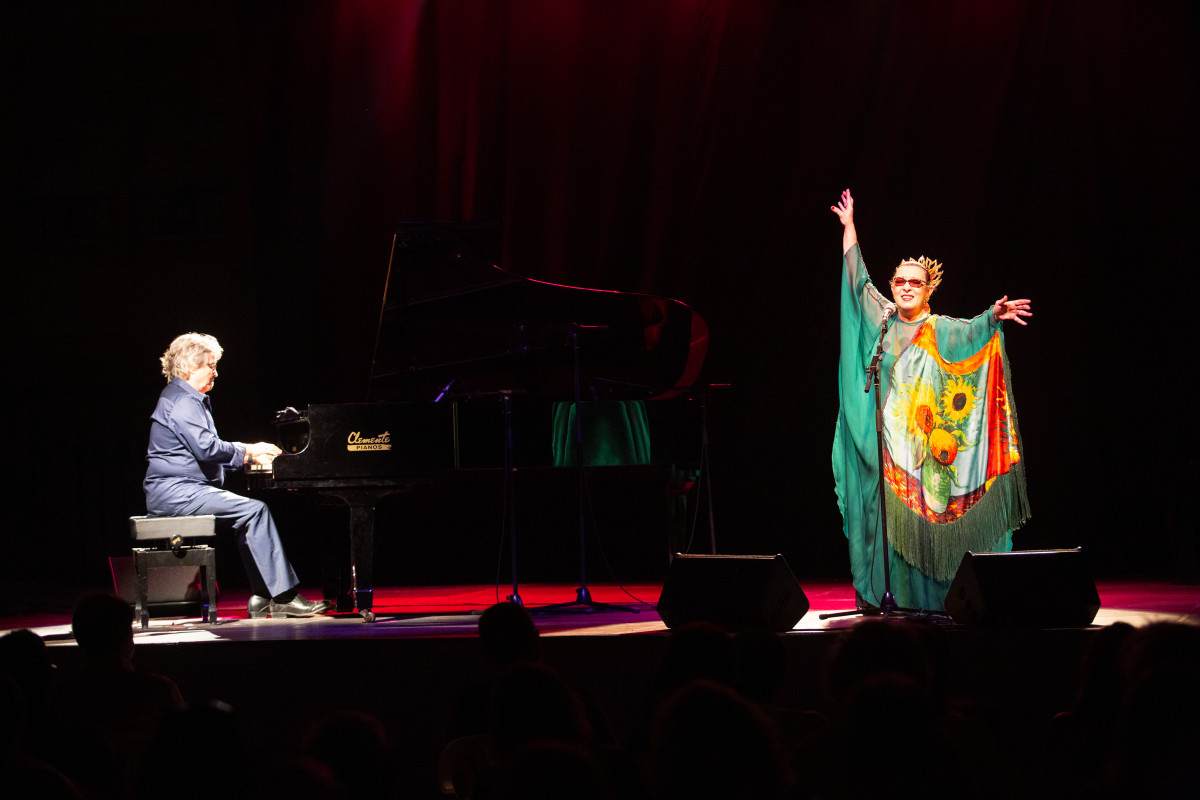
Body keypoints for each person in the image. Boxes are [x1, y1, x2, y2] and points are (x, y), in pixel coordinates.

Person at [830, 189, 1031, 611]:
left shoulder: (939, 329)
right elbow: (856, 282)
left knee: (923, 528)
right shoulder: (882, 320)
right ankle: (890, 596)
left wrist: (992, 317)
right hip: (887, 451)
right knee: (887, 528)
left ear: (929, 289)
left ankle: (932, 600)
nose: (906, 288)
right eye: (899, 282)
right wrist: (849, 227)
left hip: (922, 455)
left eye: (915, 283)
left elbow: (971, 333)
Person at [144, 332, 329, 618]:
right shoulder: (183, 402)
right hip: (177, 493)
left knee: (248, 515)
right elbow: (207, 449)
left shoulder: (182, 397)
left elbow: (198, 455)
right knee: (254, 511)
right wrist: (249, 450)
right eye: (211, 365)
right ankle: (283, 597)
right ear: (191, 366)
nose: (216, 373)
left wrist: (247, 459)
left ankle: (262, 597)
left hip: (182, 489)